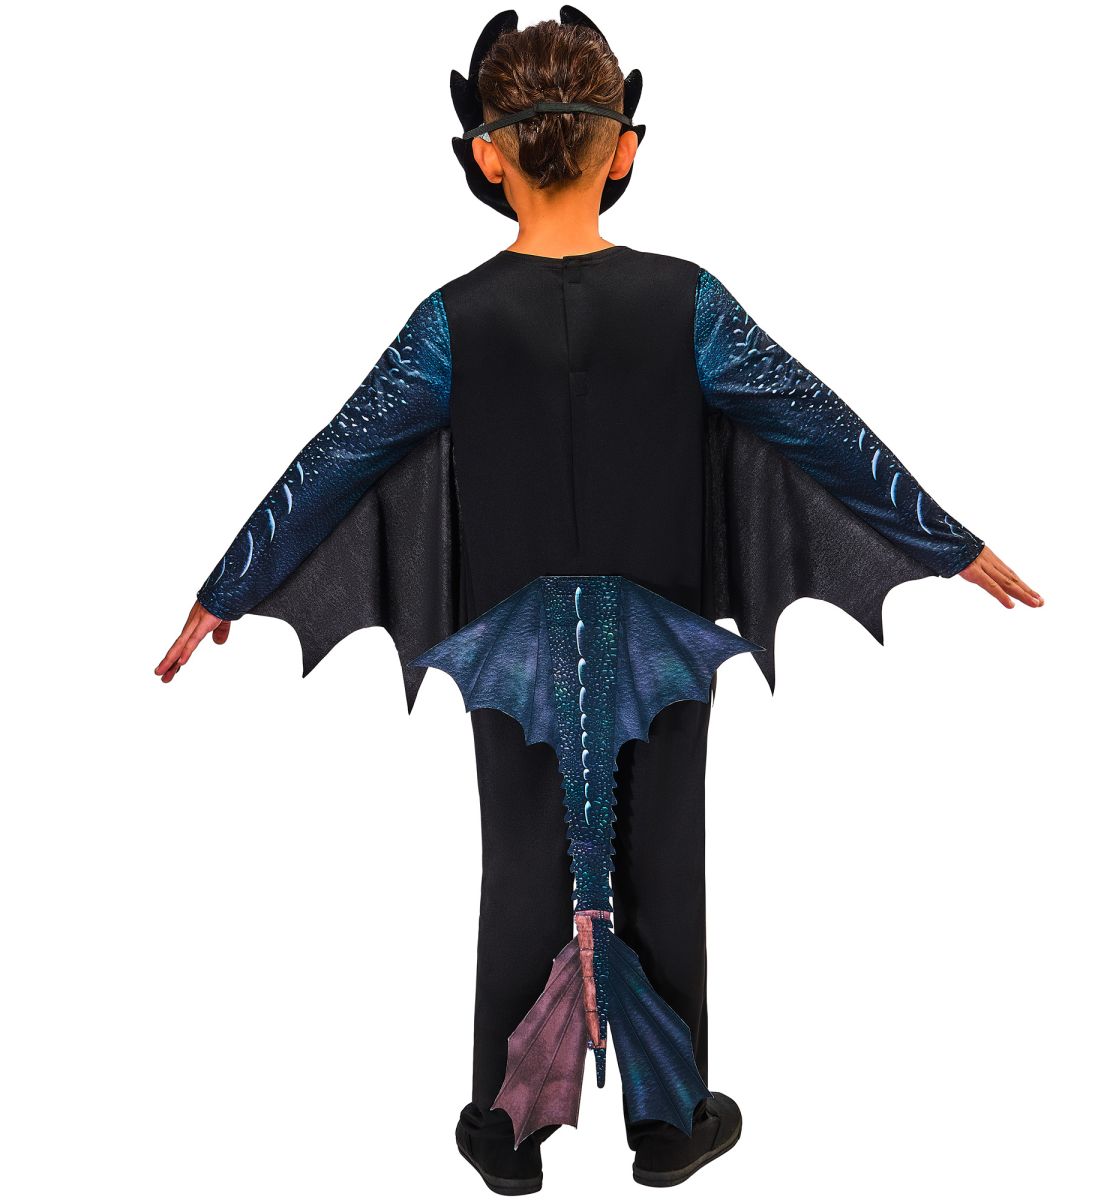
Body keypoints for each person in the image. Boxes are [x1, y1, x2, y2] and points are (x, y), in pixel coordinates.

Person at [155, 9, 1042, 1194]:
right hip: (657, 641)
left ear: (487, 153)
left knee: (523, 860)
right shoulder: (688, 302)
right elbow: (816, 424)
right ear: (623, 146)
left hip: (513, 647)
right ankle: (670, 1122)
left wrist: (232, 583)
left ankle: (504, 1124)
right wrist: (941, 537)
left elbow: (337, 460)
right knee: (663, 852)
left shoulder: (452, 322)